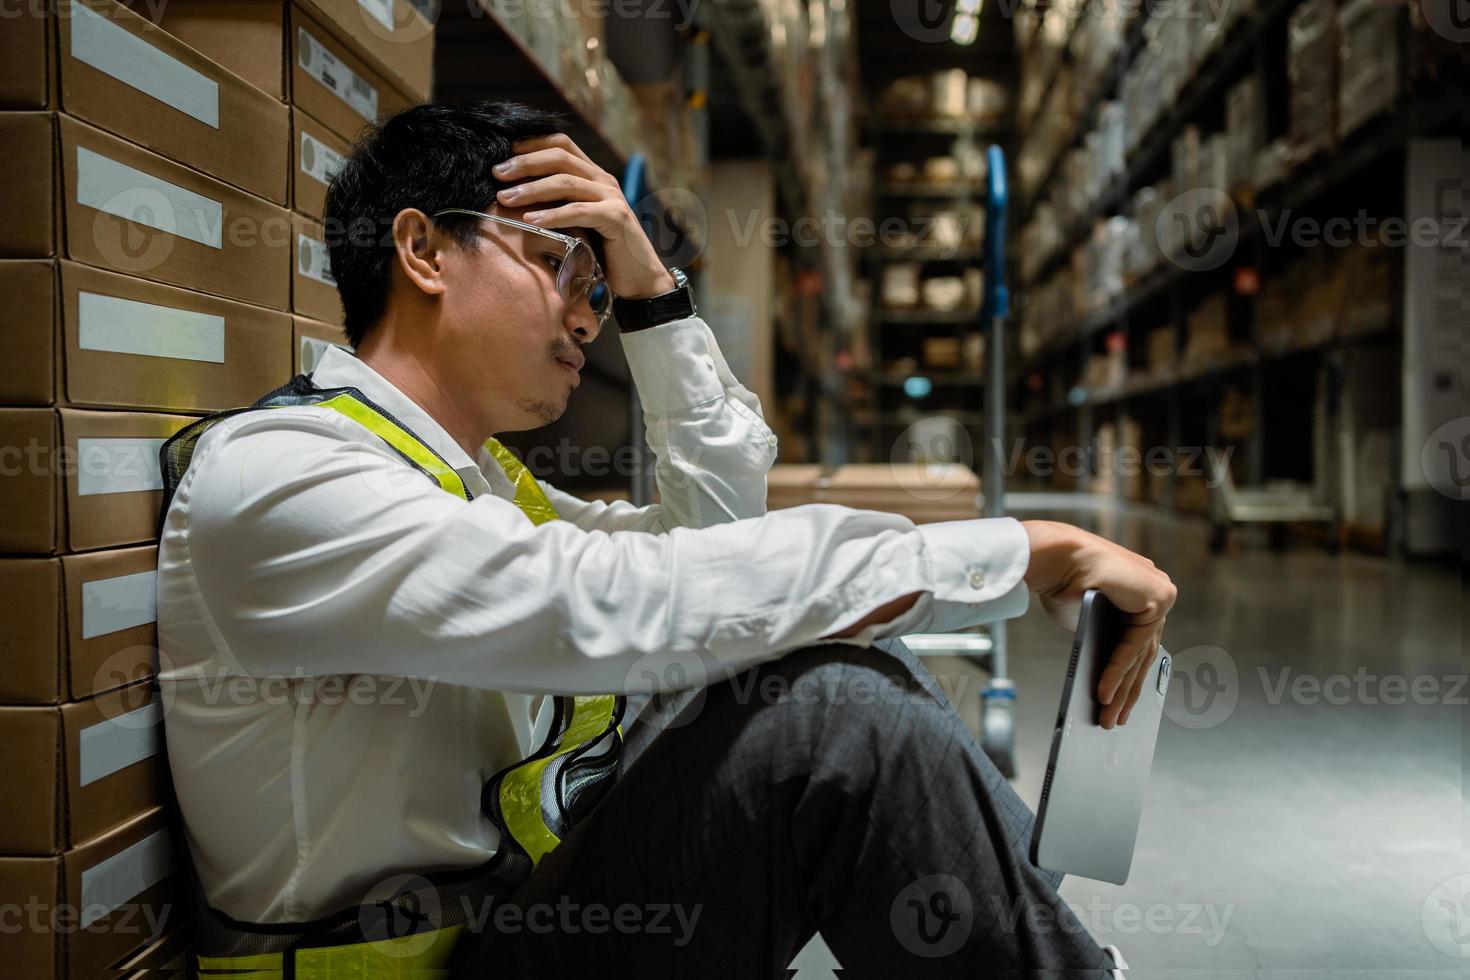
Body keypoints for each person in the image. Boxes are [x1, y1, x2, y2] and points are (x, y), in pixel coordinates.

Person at [156, 100, 1173, 979]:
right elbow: (622, 601)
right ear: (422, 249)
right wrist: (1018, 546)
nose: (585, 316)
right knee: (833, 718)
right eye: (560, 266)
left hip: (518, 929)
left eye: (597, 292)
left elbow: (723, 556)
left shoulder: (474, 485)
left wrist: (650, 288)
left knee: (829, 655)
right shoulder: (286, 475)